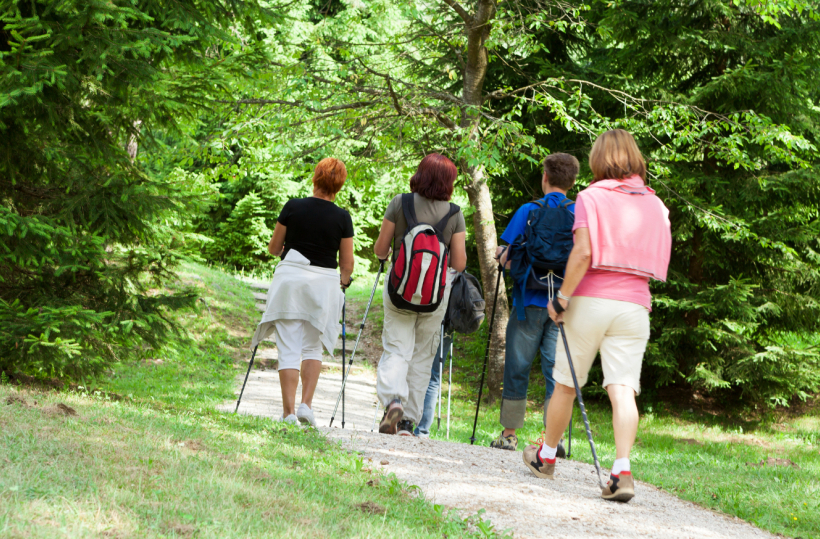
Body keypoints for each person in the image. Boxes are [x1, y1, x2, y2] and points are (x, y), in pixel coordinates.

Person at [521, 130, 672, 503]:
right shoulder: (656, 204)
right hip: (636, 304)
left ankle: (547, 456)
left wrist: (562, 298)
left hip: (591, 299)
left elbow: (584, 252)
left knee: (566, 384)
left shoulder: (591, 197)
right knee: (623, 389)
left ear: (598, 160)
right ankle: (621, 471)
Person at [250, 157, 354, 427]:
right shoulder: (343, 217)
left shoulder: (293, 207)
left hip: (291, 284)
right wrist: (344, 281)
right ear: (339, 185)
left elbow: (274, 248)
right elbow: (347, 264)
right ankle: (306, 405)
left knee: (288, 348)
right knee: (312, 348)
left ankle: (289, 414)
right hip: (323, 286)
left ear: (315, 178)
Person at [489, 153, 579, 452]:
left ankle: (510, 434)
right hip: (564, 306)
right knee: (558, 371)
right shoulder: (580, 215)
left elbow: (508, 258)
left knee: (518, 365)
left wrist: (502, 255)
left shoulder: (529, 210)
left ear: (545, 178)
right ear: (572, 181)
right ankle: (554, 439)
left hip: (528, 301)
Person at [373, 153, 467, 436]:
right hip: (434, 298)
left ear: (420, 174)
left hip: (399, 291)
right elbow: (459, 264)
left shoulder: (399, 203)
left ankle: (392, 401)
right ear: (448, 182)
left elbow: (380, 249)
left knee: (397, 349)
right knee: (423, 357)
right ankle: (407, 422)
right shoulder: (455, 213)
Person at [414, 324, 453, 438]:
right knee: (434, 378)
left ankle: (403, 424)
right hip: (447, 324)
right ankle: (422, 430)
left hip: (425, 317)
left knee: (413, 370)